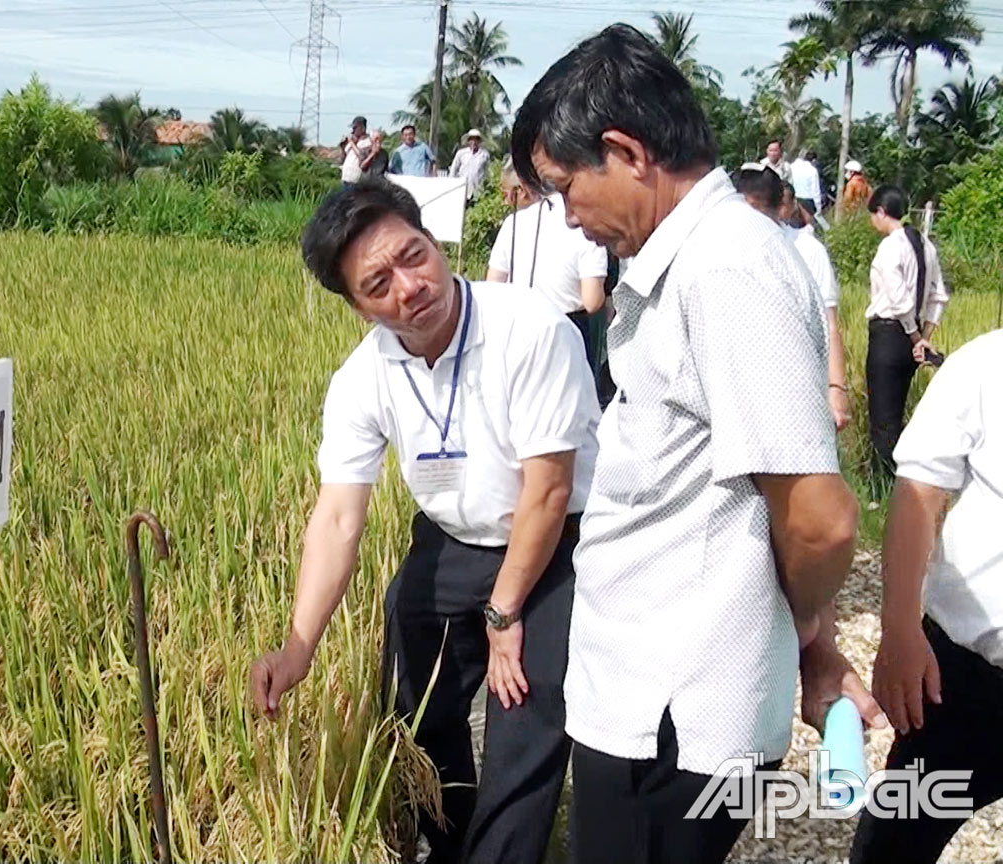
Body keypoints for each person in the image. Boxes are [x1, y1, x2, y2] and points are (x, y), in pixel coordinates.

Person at [512, 25, 880, 864]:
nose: (570, 219)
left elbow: (819, 520)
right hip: (644, 695)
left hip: (672, 715)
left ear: (626, 153)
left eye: (566, 189)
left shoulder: (726, 272)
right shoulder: (694, 263)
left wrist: (810, 635)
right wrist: (818, 648)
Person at [250, 178, 599, 863]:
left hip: (558, 542)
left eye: (413, 256)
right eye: (378, 284)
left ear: (434, 242)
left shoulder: (530, 329)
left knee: (523, 722)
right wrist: (298, 647)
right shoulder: (363, 377)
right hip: (452, 541)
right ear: (357, 307)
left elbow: (549, 491)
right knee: (414, 703)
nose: (409, 287)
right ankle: (450, 840)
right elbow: (338, 517)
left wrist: (504, 613)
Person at [852, 328, 1003, 864]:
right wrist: (898, 631)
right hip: (968, 675)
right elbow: (918, 490)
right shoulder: (984, 365)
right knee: (896, 842)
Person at [734, 166, 850, 430]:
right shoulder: (723, 249)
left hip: (797, 384)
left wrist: (836, 388)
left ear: (780, 209)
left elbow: (830, 323)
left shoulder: (808, 251)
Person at [864, 185, 951, 478]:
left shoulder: (891, 246)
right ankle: (893, 480)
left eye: (873, 215)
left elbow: (898, 297)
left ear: (881, 212)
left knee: (883, 419)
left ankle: (883, 484)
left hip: (889, 335)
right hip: (911, 339)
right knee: (896, 412)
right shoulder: (926, 245)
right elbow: (939, 296)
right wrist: (924, 337)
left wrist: (916, 337)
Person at [485, 181, 608, 371]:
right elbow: (592, 302)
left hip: (518, 329)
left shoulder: (513, 223)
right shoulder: (585, 225)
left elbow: (493, 287)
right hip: (568, 332)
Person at [450, 128, 491, 201]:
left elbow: (488, 172)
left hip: (478, 191)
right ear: (468, 141)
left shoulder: (484, 155)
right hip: (463, 190)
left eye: (476, 140)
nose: (474, 142)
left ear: (479, 141)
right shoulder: (461, 153)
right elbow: (453, 170)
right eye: (471, 139)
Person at [339, 116, 373, 185]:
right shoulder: (353, 141)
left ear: (362, 128)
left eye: (355, 128)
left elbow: (362, 157)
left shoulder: (367, 142)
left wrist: (352, 144)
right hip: (346, 177)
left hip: (356, 178)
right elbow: (343, 158)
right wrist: (343, 147)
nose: (353, 131)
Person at [790, 147, 822, 211]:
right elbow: (815, 190)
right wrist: (818, 207)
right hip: (808, 201)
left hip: (793, 200)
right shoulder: (813, 170)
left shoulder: (790, 167)